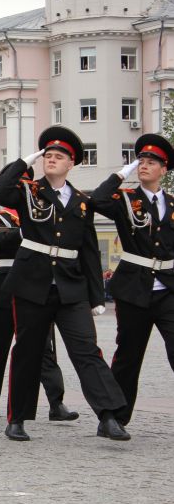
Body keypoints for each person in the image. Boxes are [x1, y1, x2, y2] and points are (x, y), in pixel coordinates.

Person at [0, 125, 130, 442]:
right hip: (30, 283)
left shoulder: (81, 202)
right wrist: (23, 163)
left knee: (86, 351)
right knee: (28, 351)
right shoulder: (28, 191)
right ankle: (18, 419)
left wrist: (96, 296)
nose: (52, 159)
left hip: (70, 287)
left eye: (59, 156)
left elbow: (90, 251)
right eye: (48, 155)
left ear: (71, 163)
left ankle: (108, 416)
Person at [90, 133, 174, 427]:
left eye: (152, 162)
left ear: (164, 169)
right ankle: (113, 417)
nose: (145, 166)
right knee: (128, 357)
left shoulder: (173, 204)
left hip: (168, 290)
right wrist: (120, 174)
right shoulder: (125, 200)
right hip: (134, 290)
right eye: (142, 161)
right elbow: (96, 200)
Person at [0, 201, 78, 422]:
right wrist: (31, 230)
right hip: (6, 284)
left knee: (44, 347)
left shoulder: (42, 215)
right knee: (0, 345)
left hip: (35, 284)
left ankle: (56, 402)